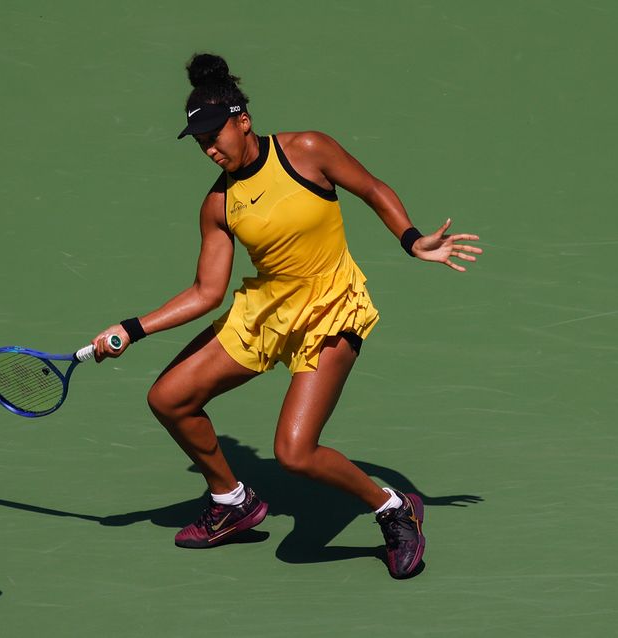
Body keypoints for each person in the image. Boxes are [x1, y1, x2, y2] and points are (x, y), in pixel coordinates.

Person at [91, 53, 482, 579]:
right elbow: (207, 292)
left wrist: (411, 240)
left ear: (242, 121)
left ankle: (394, 508)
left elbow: (371, 188)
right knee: (169, 398)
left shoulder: (307, 151)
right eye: (201, 142)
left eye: (215, 135)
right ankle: (231, 501)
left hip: (330, 308)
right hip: (266, 312)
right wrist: (132, 328)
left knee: (295, 453)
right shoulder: (218, 205)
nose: (210, 149)